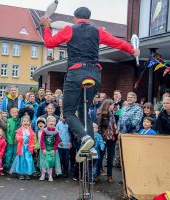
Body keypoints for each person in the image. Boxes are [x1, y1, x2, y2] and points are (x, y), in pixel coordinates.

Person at [40, 6, 140, 162]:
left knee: (68, 112)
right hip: (94, 74)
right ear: (89, 18)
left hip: (76, 73)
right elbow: (117, 43)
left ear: (75, 18)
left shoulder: (70, 29)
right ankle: (91, 148)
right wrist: (133, 50)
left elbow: (49, 43)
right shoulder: (98, 31)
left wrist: (46, 27)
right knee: (83, 110)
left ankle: (85, 138)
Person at [96, 99, 117, 183]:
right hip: (104, 139)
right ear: (107, 105)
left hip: (112, 139)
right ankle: (97, 174)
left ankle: (109, 175)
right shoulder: (101, 115)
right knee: (100, 158)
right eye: (112, 105)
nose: (113, 107)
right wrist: (102, 139)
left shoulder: (112, 114)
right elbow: (99, 128)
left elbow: (114, 125)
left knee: (110, 158)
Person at [9, 115, 35, 180]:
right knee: (21, 160)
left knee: (28, 160)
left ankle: (26, 173)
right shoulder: (20, 130)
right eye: (24, 121)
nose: (25, 122)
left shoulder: (30, 130)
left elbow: (33, 139)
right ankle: (20, 174)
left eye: (27, 121)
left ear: (29, 122)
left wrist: (32, 146)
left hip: (28, 148)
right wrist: (21, 137)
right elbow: (17, 137)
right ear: (21, 122)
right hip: (22, 147)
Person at [39, 116, 62, 181]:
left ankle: (50, 175)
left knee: (51, 162)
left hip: (52, 149)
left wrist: (54, 149)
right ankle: (43, 174)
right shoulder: (44, 130)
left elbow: (57, 140)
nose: (51, 122)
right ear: (47, 122)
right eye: (50, 121)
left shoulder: (56, 131)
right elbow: (42, 140)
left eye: (53, 121)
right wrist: (43, 148)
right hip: (45, 149)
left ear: (55, 123)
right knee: (43, 162)